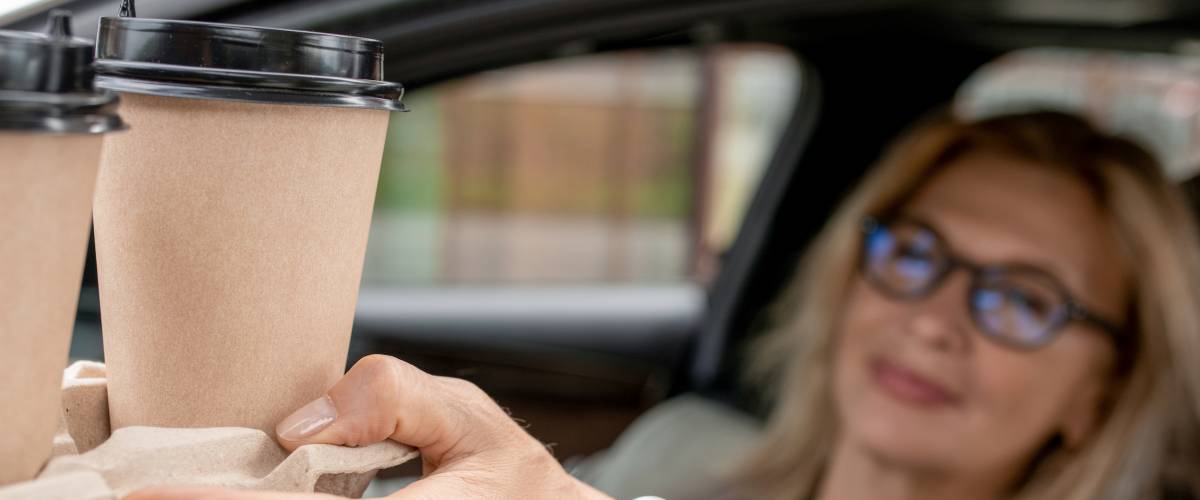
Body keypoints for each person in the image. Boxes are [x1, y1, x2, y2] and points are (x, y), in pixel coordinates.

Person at [130, 110, 1200, 500]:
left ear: (1099, 386)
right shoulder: (683, 451)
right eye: (915, 253)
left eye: (1021, 299)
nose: (932, 314)